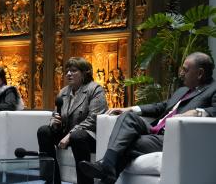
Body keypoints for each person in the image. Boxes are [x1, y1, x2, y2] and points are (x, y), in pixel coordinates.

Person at [79, 52, 216, 184]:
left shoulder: (213, 89)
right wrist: (130, 108)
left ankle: (106, 170)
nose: (181, 73)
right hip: (155, 130)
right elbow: (161, 107)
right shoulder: (183, 90)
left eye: (185, 70)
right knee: (128, 116)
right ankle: (107, 166)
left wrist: (197, 112)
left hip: (171, 137)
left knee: (127, 143)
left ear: (200, 73)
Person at [37, 57, 108, 184]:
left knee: (76, 136)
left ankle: (85, 182)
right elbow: (57, 114)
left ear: (84, 73)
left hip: (88, 136)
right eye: (67, 71)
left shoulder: (95, 89)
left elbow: (94, 119)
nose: (68, 74)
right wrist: (54, 122)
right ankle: (52, 180)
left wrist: (69, 135)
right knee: (43, 131)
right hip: (67, 133)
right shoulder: (64, 91)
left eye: (73, 71)